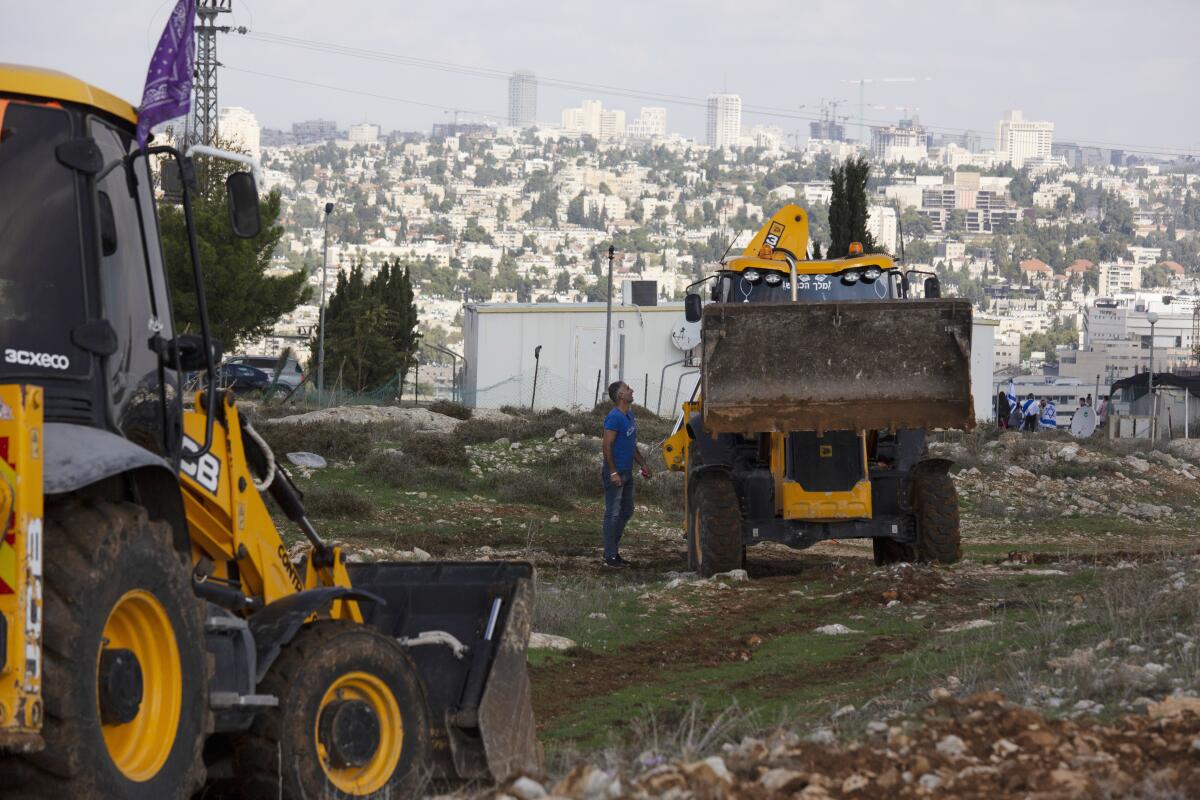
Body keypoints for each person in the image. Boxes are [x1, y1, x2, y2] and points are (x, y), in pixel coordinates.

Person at [600, 381, 650, 568]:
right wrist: (613, 472)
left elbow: (631, 443)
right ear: (621, 395)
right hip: (616, 473)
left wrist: (643, 464)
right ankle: (610, 556)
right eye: (628, 389)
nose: (632, 390)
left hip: (627, 472)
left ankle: (612, 549)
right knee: (612, 513)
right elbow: (606, 446)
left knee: (627, 510)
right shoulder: (614, 418)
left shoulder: (629, 414)